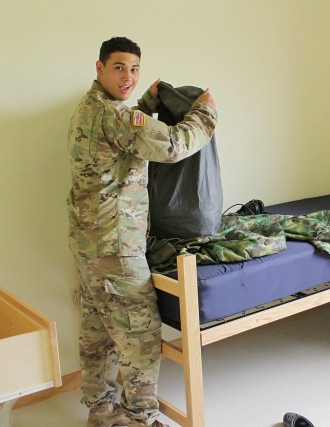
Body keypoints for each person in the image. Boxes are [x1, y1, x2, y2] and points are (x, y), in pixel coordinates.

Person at [67, 36, 217, 427]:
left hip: (88, 245)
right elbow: (172, 145)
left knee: (97, 331)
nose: (128, 76)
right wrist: (204, 115)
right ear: (99, 68)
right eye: (119, 67)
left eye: (135, 68)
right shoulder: (115, 117)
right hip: (116, 247)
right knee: (140, 335)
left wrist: (147, 104)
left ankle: (101, 411)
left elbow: (127, 131)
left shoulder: (90, 108)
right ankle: (140, 417)